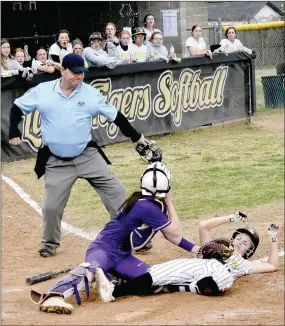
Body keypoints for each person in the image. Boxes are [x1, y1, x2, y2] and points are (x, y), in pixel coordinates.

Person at [8, 53, 149, 258]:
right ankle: (49, 243)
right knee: (50, 207)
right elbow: (17, 107)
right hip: (56, 161)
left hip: (87, 155)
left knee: (116, 192)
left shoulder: (90, 94)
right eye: (75, 72)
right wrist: (13, 130)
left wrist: (137, 138)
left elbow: (116, 117)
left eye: (82, 73)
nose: (79, 76)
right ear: (63, 70)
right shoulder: (43, 91)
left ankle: (135, 236)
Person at [29, 162, 199, 314]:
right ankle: (53, 296)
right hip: (103, 249)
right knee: (90, 269)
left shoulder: (143, 201)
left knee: (151, 280)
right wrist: (170, 201)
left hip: (122, 256)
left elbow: (171, 235)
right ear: (166, 187)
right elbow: (175, 231)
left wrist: (196, 250)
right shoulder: (149, 207)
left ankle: (111, 281)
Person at [95, 212, 280, 302]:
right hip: (197, 267)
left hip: (219, 277)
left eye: (245, 243)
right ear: (232, 238)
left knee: (222, 275)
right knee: (156, 274)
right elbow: (203, 226)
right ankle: (113, 291)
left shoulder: (244, 264)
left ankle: (192, 287)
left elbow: (272, 265)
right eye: (239, 238)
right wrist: (231, 218)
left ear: (249, 252)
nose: (240, 242)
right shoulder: (211, 249)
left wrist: (273, 238)